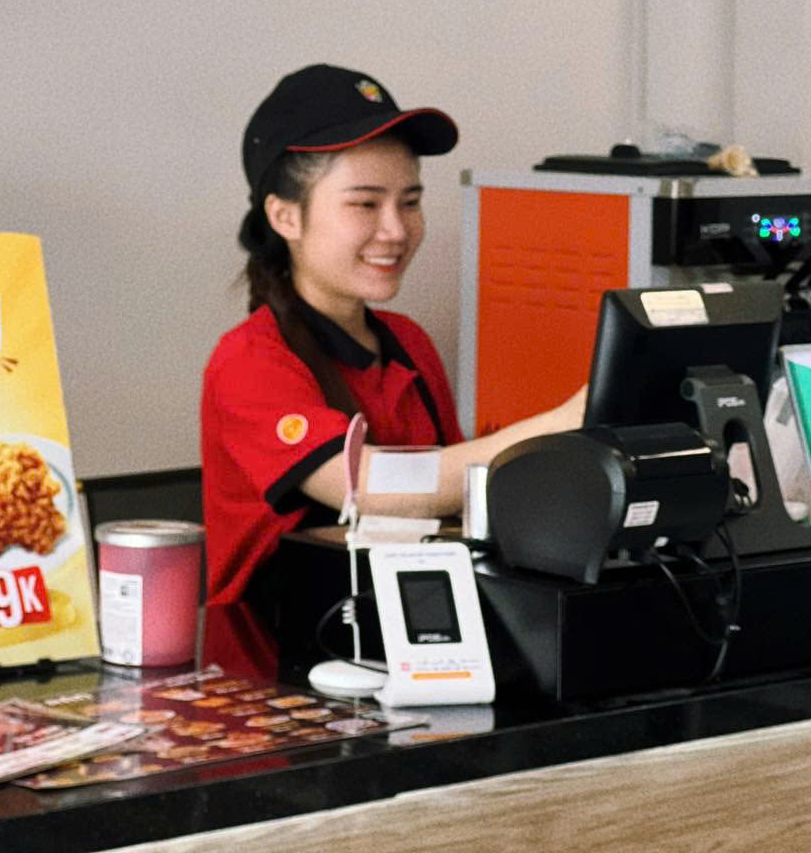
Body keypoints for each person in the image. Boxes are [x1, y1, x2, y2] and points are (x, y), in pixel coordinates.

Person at [200, 63, 586, 608]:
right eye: (365, 204)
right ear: (286, 217)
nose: (396, 230)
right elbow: (364, 487)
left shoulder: (408, 343)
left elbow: (447, 499)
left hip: (403, 620)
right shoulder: (250, 360)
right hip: (279, 646)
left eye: (410, 202)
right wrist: (563, 425)